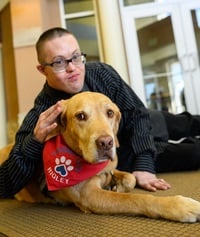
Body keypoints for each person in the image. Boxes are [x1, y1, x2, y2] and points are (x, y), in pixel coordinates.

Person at [0, 27, 198, 198]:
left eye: (76, 57)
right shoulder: (42, 115)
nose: (72, 68)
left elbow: (138, 114)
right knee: (193, 153)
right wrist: (34, 141)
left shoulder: (102, 73)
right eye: (59, 62)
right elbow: (4, 184)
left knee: (187, 123)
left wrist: (145, 165)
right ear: (43, 70)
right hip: (121, 153)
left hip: (142, 126)